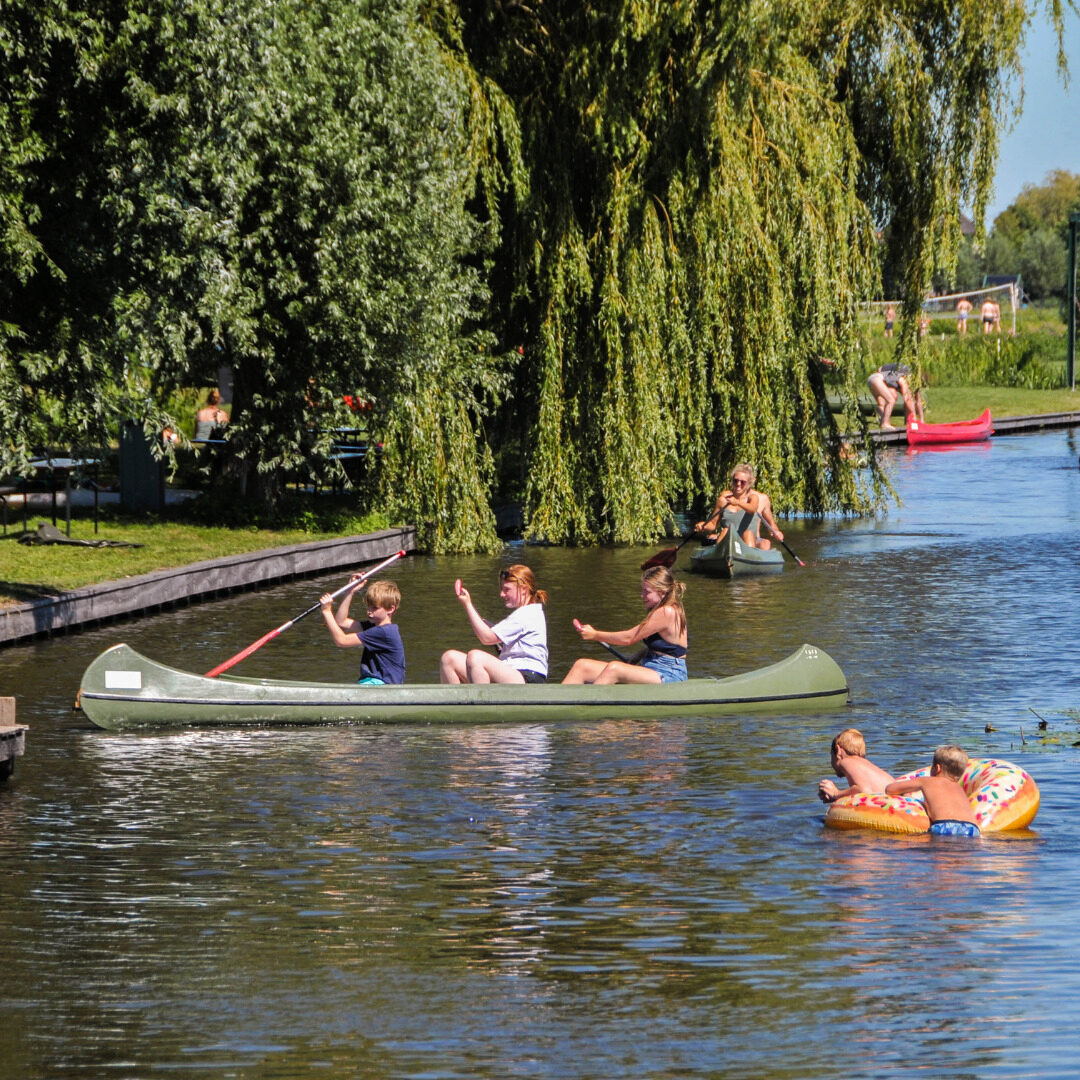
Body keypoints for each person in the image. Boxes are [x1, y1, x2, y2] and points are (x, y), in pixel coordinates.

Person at [562, 566, 687, 685]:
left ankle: (586, 706)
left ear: (662, 593)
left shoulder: (667, 612)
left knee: (614, 669)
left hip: (670, 674)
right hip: (651, 667)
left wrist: (595, 635)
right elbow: (666, 646)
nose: (642, 595)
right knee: (582, 666)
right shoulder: (660, 610)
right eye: (642, 590)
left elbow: (629, 638)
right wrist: (636, 656)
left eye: (647, 592)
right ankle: (554, 704)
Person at [440, 564, 548, 684]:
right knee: (449, 659)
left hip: (528, 677)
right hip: (511, 673)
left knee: (476, 657)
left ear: (523, 589)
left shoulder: (527, 613)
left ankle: (482, 702)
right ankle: (456, 701)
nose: (502, 594)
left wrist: (467, 604)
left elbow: (487, 638)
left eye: (507, 589)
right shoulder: (524, 613)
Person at [319, 577, 405, 685]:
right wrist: (350, 591)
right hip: (371, 682)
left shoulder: (384, 632)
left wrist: (327, 611)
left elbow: (341, 641)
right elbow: (341, 621)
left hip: (382, 685)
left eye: (374, 608)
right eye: (368, 607)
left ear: (390, 609)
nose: (369, 611)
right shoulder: (373, 627)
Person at [885, 745, 980, 837]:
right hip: (972, 829)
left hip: (944, 826)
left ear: (937, 768)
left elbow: (890, 789)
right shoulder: (959, 789)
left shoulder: (926, 781)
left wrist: (907, 795)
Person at [694, 463, 783, 550]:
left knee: (762, 542)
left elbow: (755, 511)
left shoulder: (755, 498)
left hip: (749, 539)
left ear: (749, 483)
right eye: (735, 480)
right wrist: (703, 525)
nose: (738, 484)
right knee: (725, 530)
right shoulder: (723, 500)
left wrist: (777, 532)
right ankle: (720, 555)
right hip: (729, 538)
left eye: (743, 482)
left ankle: (751, 559)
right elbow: (713, 524)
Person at [817, 728, 895, 805]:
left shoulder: (846, 762)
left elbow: (863, 790)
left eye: (831, 756)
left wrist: (836, 793)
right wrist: (838, 798)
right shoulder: (865, 764)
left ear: (838, 750)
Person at [867, 362, 925, 429]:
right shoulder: (904, 378)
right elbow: (907, 399)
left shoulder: (897, 379)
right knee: (891, 400)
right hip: (877, 379)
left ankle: (884, 419)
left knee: (892, 397)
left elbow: (918, 401)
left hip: (875, 380)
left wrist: (922, 420)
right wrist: (914, 417)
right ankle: (885, 423)